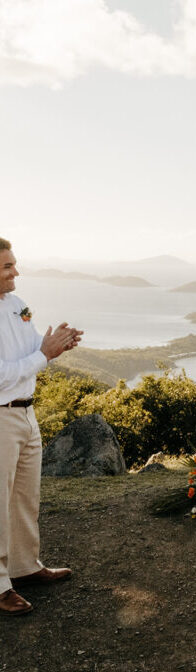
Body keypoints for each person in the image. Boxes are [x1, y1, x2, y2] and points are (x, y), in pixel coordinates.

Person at [0, 238, 83, 616]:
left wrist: (55, 345)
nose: (15, 271)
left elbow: (33, 347)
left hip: (26, 414)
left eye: (13, 264)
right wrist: (42, 355)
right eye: (7, 267)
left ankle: (24, 567)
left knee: (24, 497)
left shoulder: (16, 304)